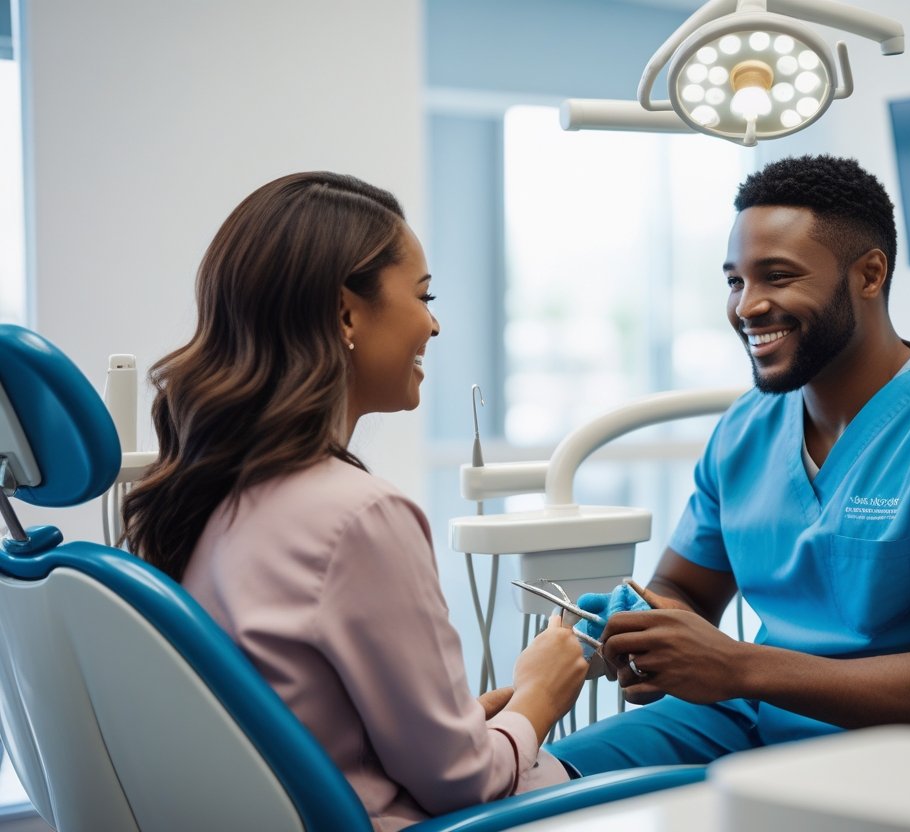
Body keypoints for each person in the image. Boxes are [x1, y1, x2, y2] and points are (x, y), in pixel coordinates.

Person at [548, 154, 910, 774]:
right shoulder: (745, 431)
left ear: (869, 274)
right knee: (530, 786)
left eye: (778, 276)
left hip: (906, 749)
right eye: (736, 281)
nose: (747, 306)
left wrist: (736, 666)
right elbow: (683, 588)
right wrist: (651, 635)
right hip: (750, 715)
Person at [122, 172, 587, 830]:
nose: (434, 324)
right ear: (346, 313)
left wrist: (461, 723)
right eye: (423, 297)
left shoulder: (217, 499)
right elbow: (463, 784)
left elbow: (309, 719)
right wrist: (540, 693)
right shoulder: (359, 517)